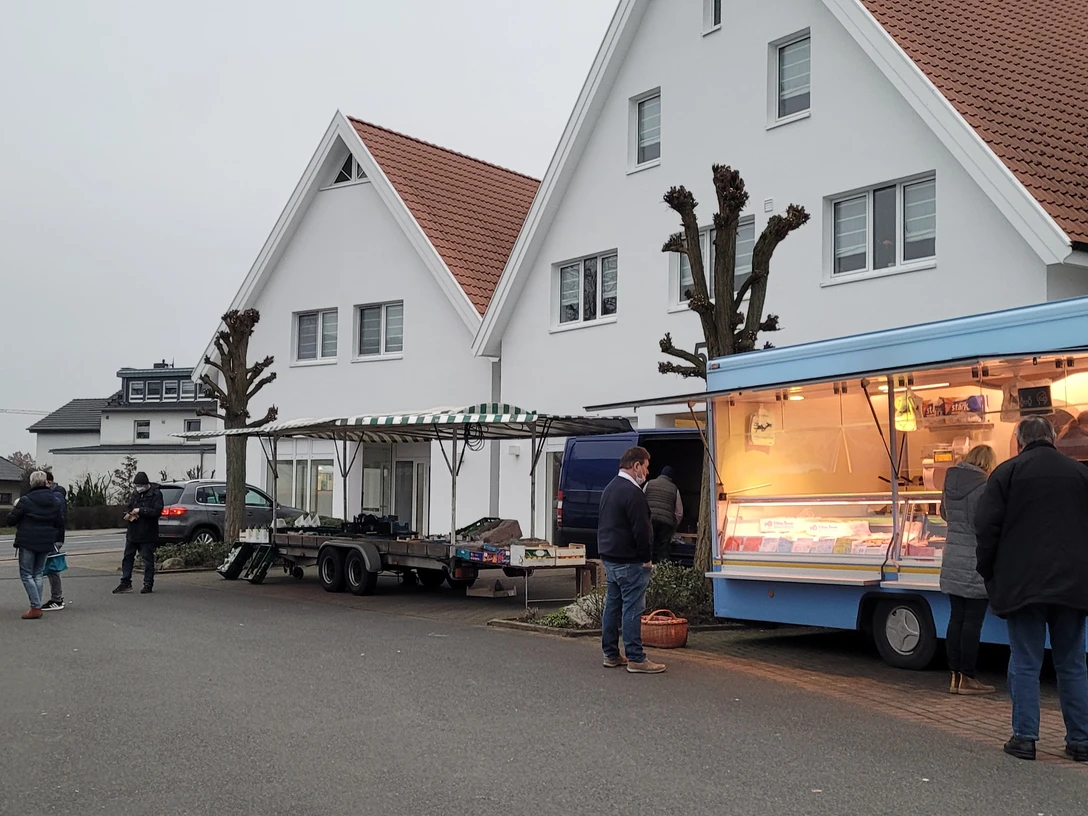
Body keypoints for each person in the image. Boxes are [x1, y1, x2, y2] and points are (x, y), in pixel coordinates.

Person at [975, 416, 1088, 762]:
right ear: (1053, 438)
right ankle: (1081, 740)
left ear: (1019, 442)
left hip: (1022, 584)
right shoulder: (1080, 473)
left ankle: (1025, 738)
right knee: (1072, 663)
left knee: (1025, 661)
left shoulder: (1006, 473)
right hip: (1073, 584)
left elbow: (985, 527)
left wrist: (988, 571)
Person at [598, 446, 665, 674]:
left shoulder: (609, 488)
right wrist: (646, 558)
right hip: (630, 559)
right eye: (646, 467)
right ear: (636, 465)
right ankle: (636, 658)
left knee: (612, 606)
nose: (647, 472)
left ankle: (610, 654)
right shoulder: (634, 493)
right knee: (633, 608)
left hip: (610, 557)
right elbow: (642, 530)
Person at [939, 445, 997, 695]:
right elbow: (986, 523)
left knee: (956, 619)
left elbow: (943, 514)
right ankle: (968, 677)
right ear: (987, 463)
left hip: (952, 557)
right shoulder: (985, 487)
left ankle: (954, 676)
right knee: (973, 622)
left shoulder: (949, 482)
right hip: (974, 559)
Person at [5, 470, 64, 619]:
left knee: (26, 574)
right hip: (46, 541)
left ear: (31, 483)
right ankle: (36, 605)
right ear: (45, 482)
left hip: (28, 540)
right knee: (38, 573)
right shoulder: (55, 501)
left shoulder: (26, 500)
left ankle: (35, 606)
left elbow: (11, 520)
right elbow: (59, 522)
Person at [113, 472, 164, 595]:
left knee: (147, 559)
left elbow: (157, 511)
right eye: (137, 486)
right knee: (127, 558)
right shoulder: (135, 494)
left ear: (146, 484)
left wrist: (141, 510)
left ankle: (148, 584)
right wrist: (127, 514)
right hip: (133, 532)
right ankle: (125, 582)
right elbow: (129, 507)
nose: (138, 488)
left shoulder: (156, 494)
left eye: (140, 485)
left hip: (147, 533)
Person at [644, 465, 683, 563]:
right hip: (666, 523)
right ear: (671, 478)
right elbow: (679, 512)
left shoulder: (649, 484)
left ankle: (647, 567)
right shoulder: (674, 489)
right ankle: (662, 568)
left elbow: (640, 501)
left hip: (650, 520)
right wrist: (674, 526)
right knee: (663, 550)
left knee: (647, 547)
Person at [41, 471, 68, 611]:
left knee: (52, 567)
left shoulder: (56, 496)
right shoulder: (55, 495)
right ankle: (56, 598)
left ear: (48, 482)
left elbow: (58, 517)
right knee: (50, 567)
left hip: (54, 537)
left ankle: (57, 598)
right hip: (53, 535)